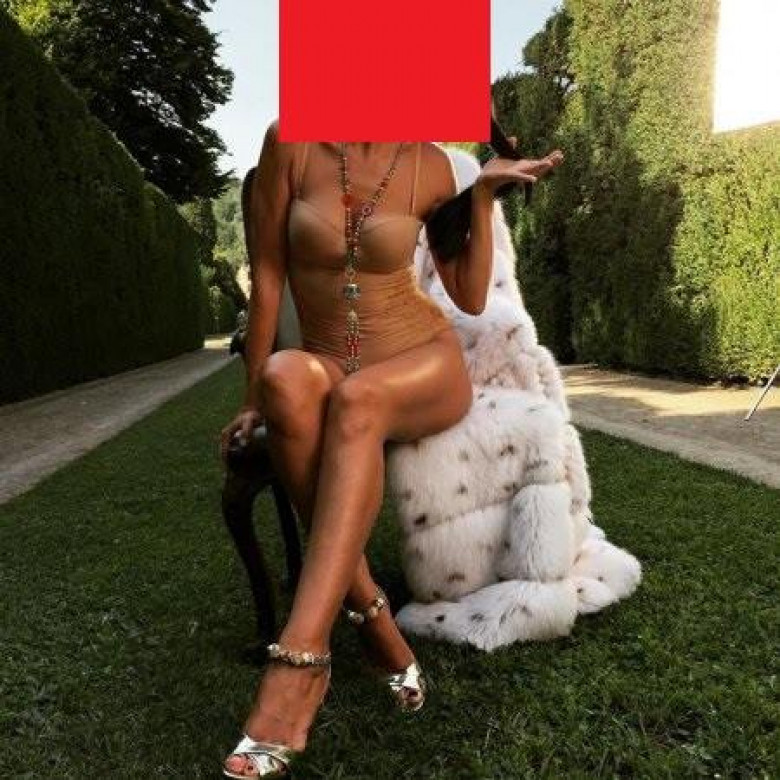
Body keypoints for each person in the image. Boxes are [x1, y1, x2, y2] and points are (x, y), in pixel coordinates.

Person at [218, 120, 563, 778]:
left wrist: (481, 196)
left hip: (422, 364)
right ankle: (374, 619)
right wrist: (251, 397)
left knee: (357, 401)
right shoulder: (290, 142)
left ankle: (301, 659)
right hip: (327, 360)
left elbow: (467, 295)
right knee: (286, 380)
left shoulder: (433, 165)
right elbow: (267, 277)